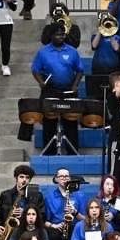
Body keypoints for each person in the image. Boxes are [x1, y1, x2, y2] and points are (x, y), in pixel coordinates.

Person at [31, 23, 84, 154]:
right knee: (49, 122)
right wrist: (41, 82)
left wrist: (75, 85)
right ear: (51, 36)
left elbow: (80, 70)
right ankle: (49, 152)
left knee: (71, 122)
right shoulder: (43, 52)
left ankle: (72, 152)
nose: (62, 37)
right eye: (58, 34)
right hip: (50, 90)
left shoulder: (72, 51)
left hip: (68, 90)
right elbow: (35, 69)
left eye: (63, 34)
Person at [44, 168, 86, 240]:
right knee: (51, 237)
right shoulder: (49, 197)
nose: (64, 178)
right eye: (61, 176)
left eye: (66, 176)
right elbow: (44, 221)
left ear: (70, 179)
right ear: (56, 179)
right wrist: (54, 226)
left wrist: (75, 212)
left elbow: (85, 219)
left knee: (80, 236)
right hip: (57, 228)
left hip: (74, 227)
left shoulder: (79, 195)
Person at [0, 165, 44, 237]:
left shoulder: (38, 196)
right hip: (9, 231)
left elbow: (42, 215)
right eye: (21, 177)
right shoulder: (5, 195)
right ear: (16, 178)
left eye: (27, 177)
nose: (24, 180)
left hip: (30, 230)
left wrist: (26, 213)